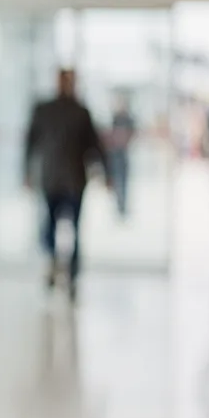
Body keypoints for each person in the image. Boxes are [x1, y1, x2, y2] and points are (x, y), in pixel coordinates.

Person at [23, 70, 105, 289]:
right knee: (50, 225)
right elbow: (30, 142)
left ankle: (72, 272)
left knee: (74, 228)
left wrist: (104, 172)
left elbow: (94, 145)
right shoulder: (44, 110)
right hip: (52, 179)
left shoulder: (81, 112)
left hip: (74, 180)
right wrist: (26, 173)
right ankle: (53, 263)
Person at [103, 95, 137, 219]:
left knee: (124, 181)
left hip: (123, 155)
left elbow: (132, 134)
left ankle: (123, 206)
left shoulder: (128, 119)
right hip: (115, 155)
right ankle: (118, 206)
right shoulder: (115, 119)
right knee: (117, 181)